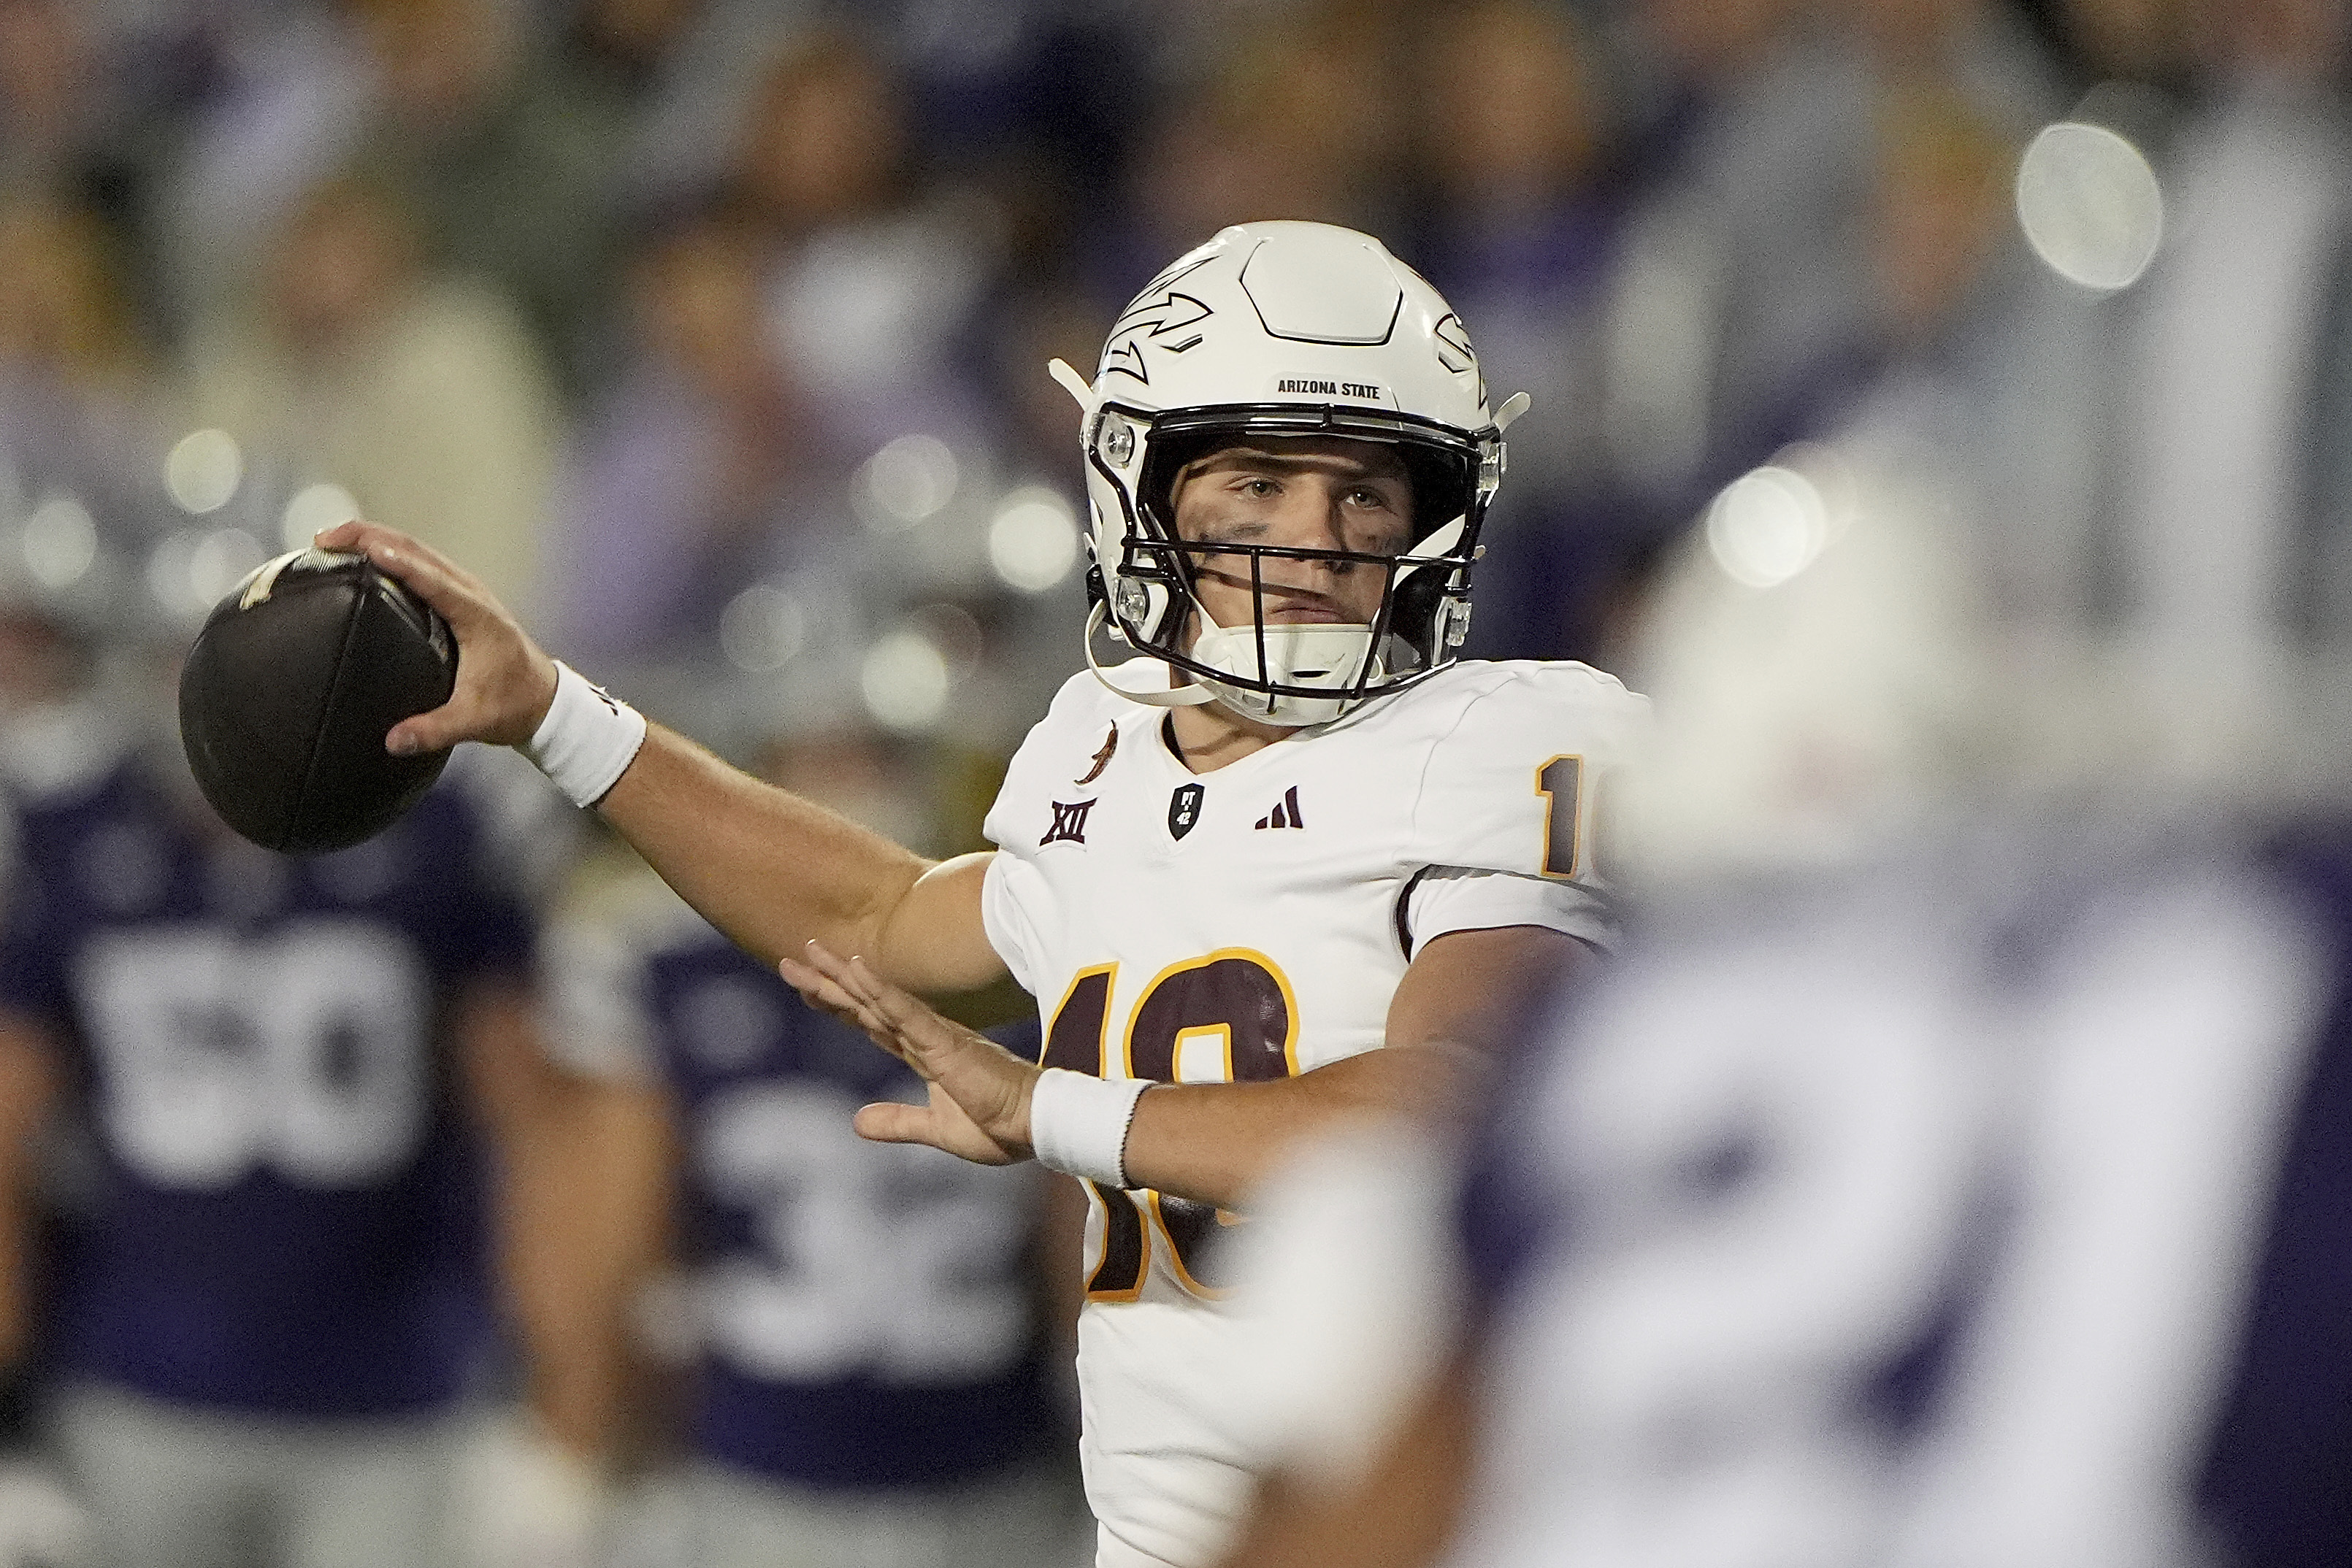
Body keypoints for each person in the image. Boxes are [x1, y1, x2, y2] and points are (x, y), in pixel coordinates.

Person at [318, 219, 1647, 1568]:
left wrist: (1055, 1109)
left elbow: (1444, 1116)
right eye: (1258, 479)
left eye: (1371, 490)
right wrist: (557, 714)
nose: (1316, 532)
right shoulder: (1103, 741)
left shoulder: (1512, 736)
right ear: (1145, 487)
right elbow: (877, 921)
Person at [0, 649, 618, 1568]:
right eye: (183, 657)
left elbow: (539, 1129)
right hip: (136, 1384)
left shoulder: (437, 825)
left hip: (392, 1393)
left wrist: (564, 1417)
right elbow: (7, 1136)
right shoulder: (63, 834)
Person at [540, 723, 1092, 1568]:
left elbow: (1079, 1243)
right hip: (753, 1474)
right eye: (826, 744)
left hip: (996, 1464)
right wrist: (583, 1438)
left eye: (877, 749)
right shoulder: (661, 959)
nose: (853, 782)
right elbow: (613, 1249)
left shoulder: (1032, 945)